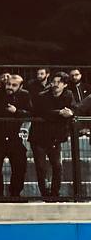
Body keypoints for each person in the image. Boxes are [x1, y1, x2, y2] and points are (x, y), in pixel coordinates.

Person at [30, 71, 75, 200]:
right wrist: (60, 113)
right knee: (41, 167)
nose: (55, 84)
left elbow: (74, 108)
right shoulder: (43, 96)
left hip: (55, 137)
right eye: (53, 82)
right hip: (39, 137)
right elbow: (41, 112)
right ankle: (45, 194)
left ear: (65, 85)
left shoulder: (68, 95)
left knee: (57, 166)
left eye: (58, 82)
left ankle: (55, 194)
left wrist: (70, 112)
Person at [0, 74, 30, 199]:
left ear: (21, 86)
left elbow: (30, 113)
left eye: (14, 85)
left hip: (14, 136)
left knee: (20, 165)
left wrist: (17, 111)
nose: (10, 87)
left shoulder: (25, 95)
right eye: (8, 84)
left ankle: (15, 194)